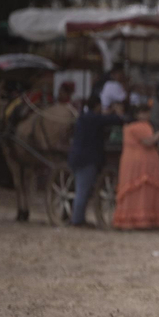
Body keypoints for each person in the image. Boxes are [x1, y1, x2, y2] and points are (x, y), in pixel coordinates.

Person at [66, 97, 126, 227]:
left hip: (77, 156)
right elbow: (116, 120)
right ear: (97, 106)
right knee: (82, 190)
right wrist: (117, 112)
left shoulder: (84, 117)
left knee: (82, 188)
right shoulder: (95, 118)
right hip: (87, 159)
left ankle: (78, 217)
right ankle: (77, 220)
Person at [113, 101, 159, 229]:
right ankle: (142, 218)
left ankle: (130, 217)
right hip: (141, 163)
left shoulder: (128, 127)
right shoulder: (141, 127)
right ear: (137, 114)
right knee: (141, 188)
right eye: (144, 112)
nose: (147, 115)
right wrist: (158, 136)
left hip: (131, 161)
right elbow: (148, 141)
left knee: (135, 189)